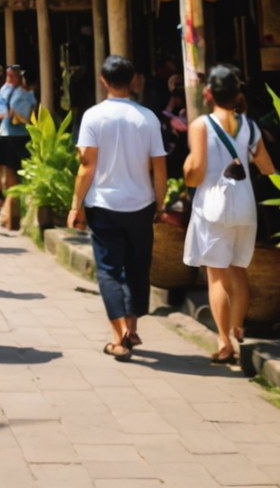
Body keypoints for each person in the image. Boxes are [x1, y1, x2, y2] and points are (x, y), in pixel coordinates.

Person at [68, 54, 168, 361]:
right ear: (134, 80)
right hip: (140, 204)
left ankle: (119, 337)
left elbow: (86, 165)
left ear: (102, 79)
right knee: (137, 267)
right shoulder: (148, 117)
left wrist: (76, 205)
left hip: (104, 204)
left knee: (110, 271)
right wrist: (160, 204)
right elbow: (160, 168)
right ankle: (132, 327)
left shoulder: (93, 117)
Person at [182, 64, 275, 363]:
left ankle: (224, 341)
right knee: (239, 271)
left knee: (216, 277)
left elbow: (195, 172)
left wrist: (186, 172)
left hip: (213, 206)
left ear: (208, 93)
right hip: (244, 205)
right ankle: (238, 327)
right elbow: (267, 167)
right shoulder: (249, 126)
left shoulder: (201, 125)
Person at [0, 63, 36, 230]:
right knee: (5, 175)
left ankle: (13, 212)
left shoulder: (26, 93)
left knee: (17, 174)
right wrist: (8, 114)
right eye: (8, 75)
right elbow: (1, 112)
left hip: (21, 136)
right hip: (5, 134)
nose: (9, 78)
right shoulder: (5, 91)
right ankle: (4, 210)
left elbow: (30, 111)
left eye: (13, 76)